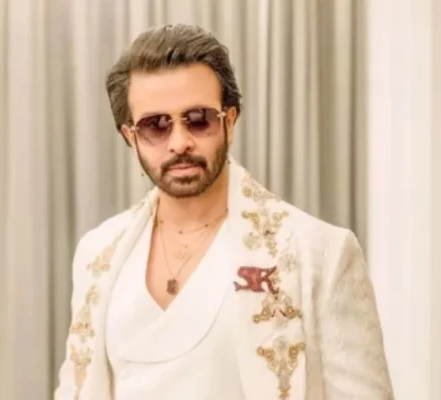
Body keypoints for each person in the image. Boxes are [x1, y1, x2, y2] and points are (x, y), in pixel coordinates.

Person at [54, 24, 393, 400]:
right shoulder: (98, 254)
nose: (180, 142)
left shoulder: (319, 253)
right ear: (129, 136)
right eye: (156, 126)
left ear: (229, 122)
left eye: (198, 119)